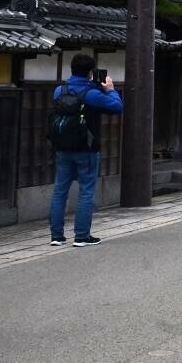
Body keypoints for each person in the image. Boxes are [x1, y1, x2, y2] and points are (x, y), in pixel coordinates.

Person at [48, 54, 123, 247]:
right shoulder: (92, 94)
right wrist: (110, 90)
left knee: (59, 191)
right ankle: (81, 236)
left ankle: (56, 236)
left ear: (72, 69)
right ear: (91, 73)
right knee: (86, 191)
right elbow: (117, 107)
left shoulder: (59, 91)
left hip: (62, 147)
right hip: (86, 148)